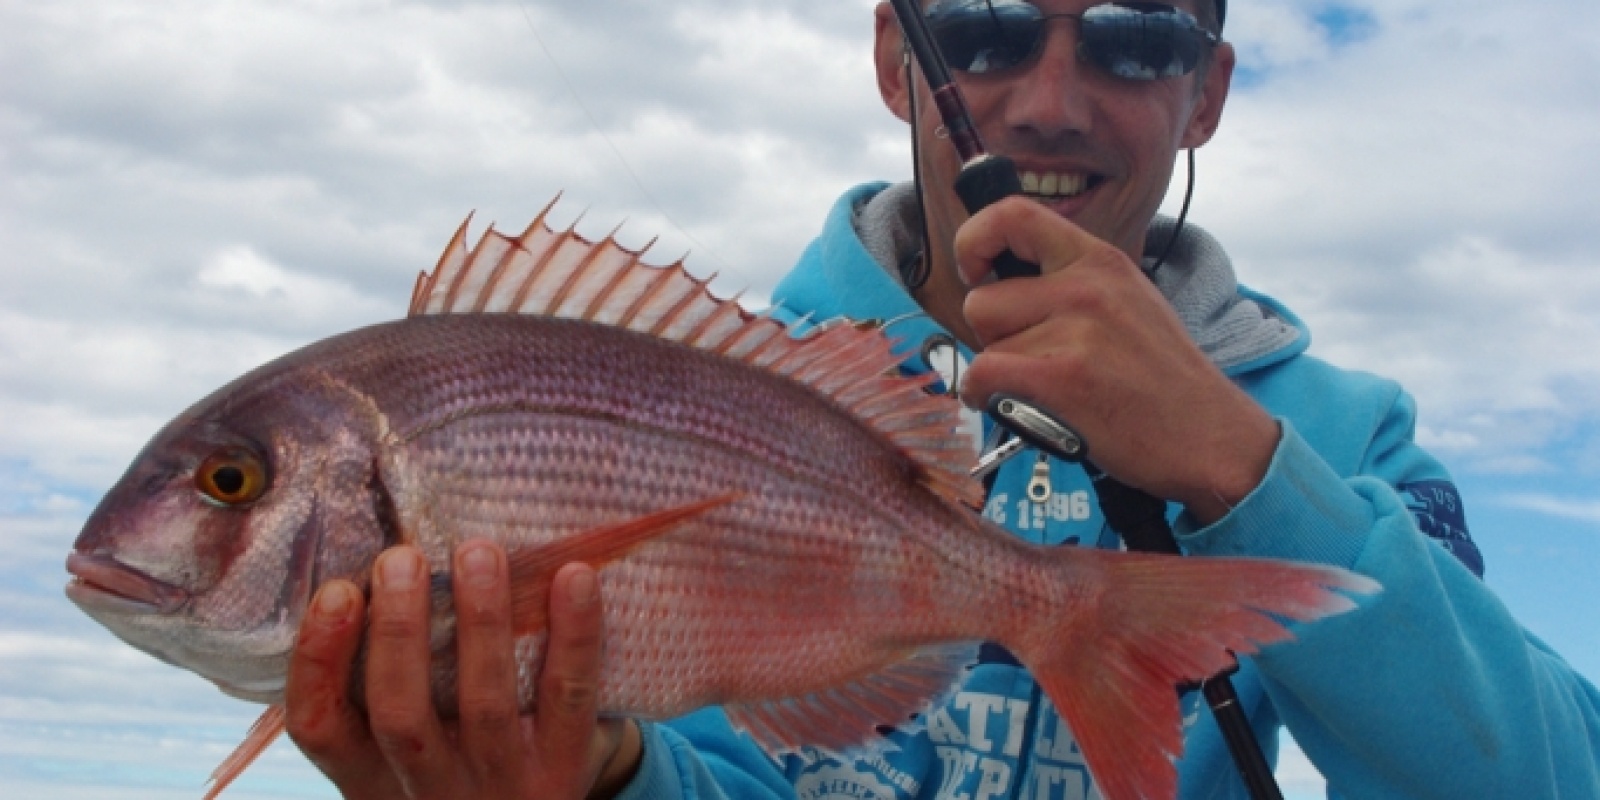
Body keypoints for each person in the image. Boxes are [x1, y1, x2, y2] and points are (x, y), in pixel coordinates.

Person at [281, 1, 1600, 798]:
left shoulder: (1340, 436)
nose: (1049, 101)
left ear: (1207, 93)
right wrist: (603, 780)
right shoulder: (725, 396)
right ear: (890, 57)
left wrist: (1247, 469)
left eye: (1140, 40)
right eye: (982, 27)